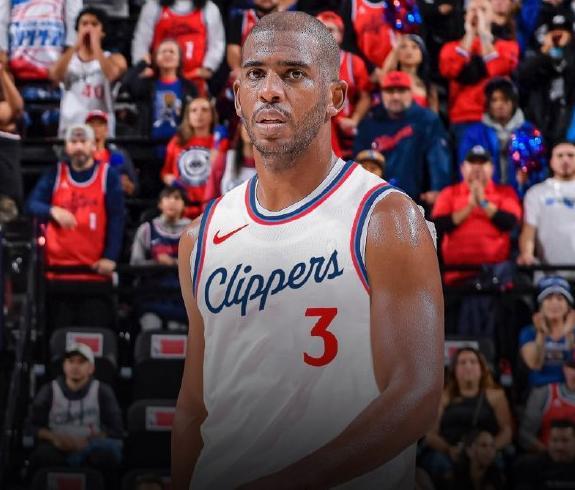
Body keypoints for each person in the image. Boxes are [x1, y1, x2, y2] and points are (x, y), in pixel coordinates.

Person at [172, 11, 443, 490]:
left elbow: (415, 396)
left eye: (293, 74)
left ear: (336, 98)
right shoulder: (200, 237)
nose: (270, 91)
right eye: (256, 74)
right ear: (237, 96)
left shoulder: (385, 218)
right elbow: (195, 405)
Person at [25, 124, 124, 329]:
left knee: (94, 335)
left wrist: (111, 256)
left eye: (83, 141)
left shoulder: (108, 175)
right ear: (66, 147)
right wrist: (52, 210)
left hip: (93, 273)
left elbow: (117, 218)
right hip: (58, 273)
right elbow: (31, 204)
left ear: (93, 146)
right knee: (58, 337)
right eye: (73, 142)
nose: (78, 146)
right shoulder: (55, 173)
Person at [354, 70, 451, 205]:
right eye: (389, 91)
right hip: (376, 199)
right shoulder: (369, 122)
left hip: (416, 199)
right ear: (381, 94)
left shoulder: (427, 120)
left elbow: (438, 157)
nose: (395, 96)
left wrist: (439, 189)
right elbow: (358, 161)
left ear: (411, 93)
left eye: (401, 91)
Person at [431, 145, 521, 285]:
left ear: (492, 168)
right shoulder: (449, 193)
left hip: (496, 276)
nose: (477, 168)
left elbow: (509, 222)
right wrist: (469, 207)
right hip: (456, 275)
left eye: (482, 163)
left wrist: (483, 203)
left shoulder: (505, 192)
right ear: (462, 168)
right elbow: (438, 226)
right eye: (472, 163)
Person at [27, 343, 123, 474]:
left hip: (91, 446)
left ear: (91, 368)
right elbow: (32, 426)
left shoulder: (103, 391)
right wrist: (55, 438)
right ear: (64, 366)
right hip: (57, 445)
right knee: (41, 456)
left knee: (106, 456)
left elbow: (116, 429)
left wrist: (88, 441)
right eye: (71, 361)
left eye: (81, 362)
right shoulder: (49, 390)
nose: (75, 366)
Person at [422, 347, 513, 485]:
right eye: (462, 362)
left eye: (473, 362)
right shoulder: (442, 397)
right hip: (451, 452)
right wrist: (448, 449)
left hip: (486, 450)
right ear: (454, 369)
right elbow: (430, 435)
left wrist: (489, 449)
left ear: (482, 369)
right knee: (436, 463)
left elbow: (507, 431)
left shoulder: (496, 396)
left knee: (499, 464)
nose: (468, 366)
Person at [439, 0, 519, 145]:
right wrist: (470, 35)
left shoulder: (508, 46)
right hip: (463, 118)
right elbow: (450, 70)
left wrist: (484, 36)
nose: (477, 14)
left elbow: (497, 70)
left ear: (492, 16)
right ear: (465, 16)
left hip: (496, 119)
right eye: (473, 10)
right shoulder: (450, 48)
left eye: (483, 10)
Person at [459, 77, 547, 196]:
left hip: (523, 196)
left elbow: (541, 168)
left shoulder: (529, 131)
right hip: (485, 196)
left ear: (514, 103)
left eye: (505, 100)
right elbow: (465, 168)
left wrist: (527, 184)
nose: (500, 105)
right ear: (488, 104)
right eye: (494, 100)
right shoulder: (474, 133)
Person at [51, 7, 127, 138]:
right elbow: (54, 76)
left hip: (101, 132)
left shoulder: (114, 58)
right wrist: (76, 45)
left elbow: (112, 74)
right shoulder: (67, 59)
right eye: (84, 24)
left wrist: (95, 45)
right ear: (77, 29)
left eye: (94, 24)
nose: (88, 28)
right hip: (71, 131)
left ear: (103, 32)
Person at [130, 186, 191, 331]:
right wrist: (156, 263)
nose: (172, 202)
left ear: (184, 205)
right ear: (159, 204)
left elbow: (201, 265)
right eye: (167, 198)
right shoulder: (147, 229)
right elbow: (135, 264)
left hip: (181, 297)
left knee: (177, 330)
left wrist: (173, 263)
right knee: (151, 327)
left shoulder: (193, 230)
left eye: (177, 198)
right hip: (152, 295)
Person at [132, 0, 225, 94]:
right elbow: (141, 42)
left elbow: (217, 43)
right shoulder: (153, 6)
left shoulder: (209, 8)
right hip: (159, 80)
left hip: (196, 80)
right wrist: (141, 67)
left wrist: (209, 67)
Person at [316, 11, 372, 159]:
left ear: (340, 35)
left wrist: (355, 120)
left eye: (330, 30)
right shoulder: (303, 64)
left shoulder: (354, 63)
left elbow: (365, 96)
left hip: (347, 130)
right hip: (318, 129)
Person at [123, 38, 198, 146]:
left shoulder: (189, 87)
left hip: (179, 146)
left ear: (179, 59)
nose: (167, 54)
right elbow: (126, 83)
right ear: (156, 59)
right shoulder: (146, 84)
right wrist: (142, 63)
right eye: (163, 52)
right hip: (148, 146)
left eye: (172, 52)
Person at [160, 96, 224, 219]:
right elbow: (165, 173)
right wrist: (173, 182)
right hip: (183, 208)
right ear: (188, 116)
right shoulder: (177, 142)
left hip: (213, 208)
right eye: (194, 110)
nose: (199, 114)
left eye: (204, 110)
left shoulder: (220, 142)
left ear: (212, 115)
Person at [517, 12, 575, 146]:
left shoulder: (571, 56)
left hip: (568, 121)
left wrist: (567, 47)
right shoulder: (537, 56)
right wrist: (545, 50)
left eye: (563, 31)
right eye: (553, 31)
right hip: (541, 120)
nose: (558, 34)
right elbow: (522, 76)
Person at [518, 141, 575, 274]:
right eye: (560, 156)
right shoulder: (536, 193)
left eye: (570, 155)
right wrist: (526, 253)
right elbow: (529, 230)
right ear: (551, 161)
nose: (565, 160)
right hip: (549, 274)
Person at [0, 0, 82, 81]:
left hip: (54, 70)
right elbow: (2, 22)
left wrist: (64, 62)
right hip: (16, 69)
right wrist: (3, 60)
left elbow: (75, 22)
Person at [519, 276, 575, 388]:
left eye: (560, 299)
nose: (554, 303)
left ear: (568, 306)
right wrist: (541, 334)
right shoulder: (529, 332)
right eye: (548, 298)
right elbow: (535, 365)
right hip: (540, 389)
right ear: (540, 306)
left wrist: (568, 333)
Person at [520, 360, 575, 452]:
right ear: (564, 368)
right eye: (573, 367)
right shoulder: (544, 392)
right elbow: (525, 435)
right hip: (545, 454)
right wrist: (549, 453)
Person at [85, 110, 138, 197]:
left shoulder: (119, 155)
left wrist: (128, 185)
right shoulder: (79, 156)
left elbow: (135, 188)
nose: (95, 128)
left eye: (99, 124)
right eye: (92, 125)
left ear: (106, 129)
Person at [381, 34, 439, 111]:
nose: (409, 51)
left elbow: (433, 116)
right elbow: (385, 74)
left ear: (422, 55)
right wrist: (397, 46)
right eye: (403, 47)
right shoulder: (391, 79)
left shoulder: (429, 88)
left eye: (414, 47)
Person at [513, 419, 575, 490]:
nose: (559, 447)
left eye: (565, 440)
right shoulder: (529, 466)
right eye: (554, 440)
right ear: (548, 441)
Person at [203, 123, 256, 202]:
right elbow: (210, 198)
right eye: (246, 123)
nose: (249, 129)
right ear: (240, 128)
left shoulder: (270, 164)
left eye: (255, 124)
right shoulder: (225, 159)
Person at [226, 0, 279, 78]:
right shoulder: (241, 19)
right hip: (247, 75)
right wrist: (237, 69)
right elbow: (233, 49)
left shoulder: (289, 22)